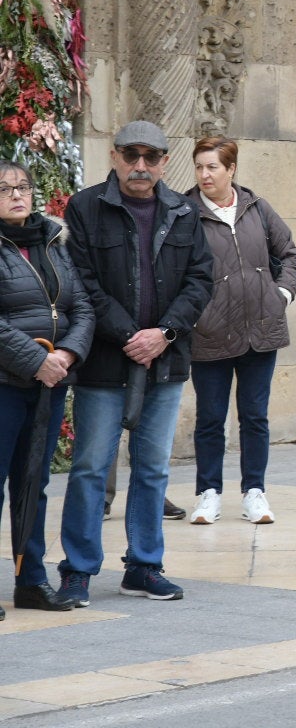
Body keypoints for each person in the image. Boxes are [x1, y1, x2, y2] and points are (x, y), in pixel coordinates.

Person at [57, 121, 214, 606]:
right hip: (106, 362)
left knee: (152, 469)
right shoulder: (86, 207)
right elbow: (79, 281)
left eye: (151, 157)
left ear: (166, 162)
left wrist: (163, 334)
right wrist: (131, 336)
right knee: (89, 466)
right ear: (114, 156)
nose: (140, 166)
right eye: (131, 155)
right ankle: (79, 569)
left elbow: (202, 279)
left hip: (165, 363)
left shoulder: (185, 211)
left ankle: (144, 566)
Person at [183, 137, 296, 526]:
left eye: (212, 167)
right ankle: (208, 494)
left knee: (254, 416)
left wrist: (280, 295)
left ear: (231, 169)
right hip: (209, 333)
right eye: (199, 167)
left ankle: (255, 491)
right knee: (210, 418)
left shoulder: (257, 208)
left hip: (260, 332)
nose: (204, 175)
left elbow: (290, 256)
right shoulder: (185, 211)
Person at [0, 162, 94, 614]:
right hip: (5, 382)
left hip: (49, 383)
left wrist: (66, 356)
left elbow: (81, 308)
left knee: (33, 483)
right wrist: (37, 359)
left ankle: (30, 579)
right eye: (4, 189)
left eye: (22, 187)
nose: (16, 195)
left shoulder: (53, 241)